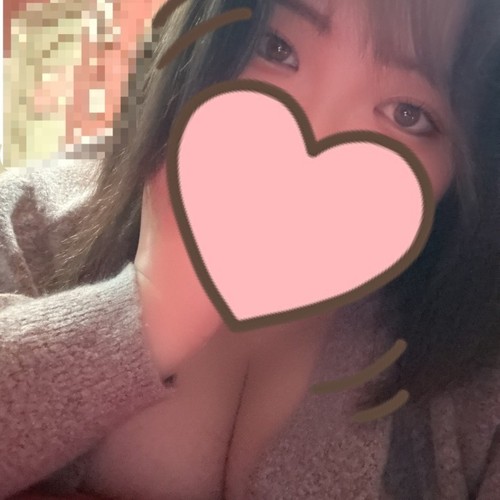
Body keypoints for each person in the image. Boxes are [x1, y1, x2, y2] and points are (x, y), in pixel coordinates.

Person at [1, 0, 499, 498]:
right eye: (276, 48)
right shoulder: (27, 225)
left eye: (408, 115)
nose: (314, 137)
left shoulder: (476, 382)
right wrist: (144, 311)